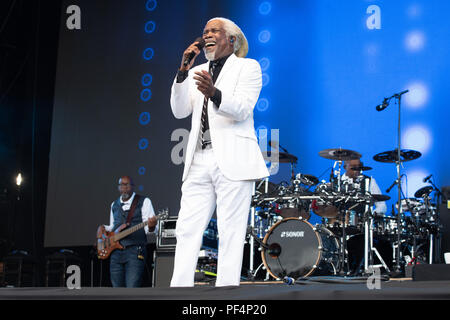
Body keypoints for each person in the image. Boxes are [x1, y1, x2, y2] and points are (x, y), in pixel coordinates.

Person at [169, 17, 269, 287]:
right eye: (205, 32)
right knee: (186, 228)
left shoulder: (248, 67)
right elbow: (179, 111)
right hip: (198, 157)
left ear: (232, 40)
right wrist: (182, 71)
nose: (207, 35)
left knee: (230, 230)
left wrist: (214, 92)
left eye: (215, 31)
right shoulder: (195, 71)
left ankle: (226, 291)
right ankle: (179, 290)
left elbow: (242, 109)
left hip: (233, 158)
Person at [97, 176, 157, 287]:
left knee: (132, 289)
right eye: (121, 185)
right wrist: (102, 228)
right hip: (115, 253)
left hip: (135, 251)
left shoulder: (144, 201)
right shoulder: (114, 205)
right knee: (117, 290)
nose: (124, 188)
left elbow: (150, 231)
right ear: (118, 187)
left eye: (127, 185)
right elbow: (113, 227)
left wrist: (152, 226)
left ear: (133, 187)